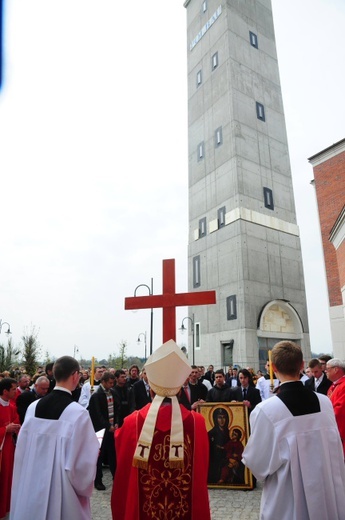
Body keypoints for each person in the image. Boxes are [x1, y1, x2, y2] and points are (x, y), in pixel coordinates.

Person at [242, 341, 345, 520]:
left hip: (289, 501)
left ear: (273, 367)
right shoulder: (325, 402)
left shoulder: (267, 410)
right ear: (303, 365)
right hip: (326, 495)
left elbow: (258, 463)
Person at [111, 340, 210, 520]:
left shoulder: (132, 422)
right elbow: (202, 466)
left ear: (150, 392)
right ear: (180, 392)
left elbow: (122, 461)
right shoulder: (198, 423)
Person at [10, 356, 99, 520]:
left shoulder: (33, 408)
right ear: (75, 376)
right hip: (62, 495)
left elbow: (22, 453)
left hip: (31, 486)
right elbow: (81, 467)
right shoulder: (78, 413)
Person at [88, 371, 120, 490]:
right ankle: (98, 480)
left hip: (112, 428)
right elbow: (96, 415)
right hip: (101, 430)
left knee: (113, 454)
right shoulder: (96, 396)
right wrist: (107, 426)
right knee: (99, 456)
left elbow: (117, 409)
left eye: (113, 383)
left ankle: (116, 477)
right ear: (103, 382)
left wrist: (116, 422)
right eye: (110, 383)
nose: (112, 385)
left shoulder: (113, 393)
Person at [0, 378, 21, 519]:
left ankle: (5, 511)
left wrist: (15, 428)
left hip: (9, 450)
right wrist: (4, 430)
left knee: (8, 481)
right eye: (14, 389)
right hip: (1, 450)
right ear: (5, 391)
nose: (16, 391)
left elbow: (17, 422)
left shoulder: (12, 407)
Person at [325, 358, 345, 456]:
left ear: (336, 369)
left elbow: (339, 410)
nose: (325, 371)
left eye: (327, 369)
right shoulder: (333, 386)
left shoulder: (343, 386)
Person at [208, 407, 230, 483]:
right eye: (219, 418)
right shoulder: (211, 433)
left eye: (224, 417)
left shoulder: (230, 433)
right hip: (215, 459)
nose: (222, 420)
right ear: (215, 419)